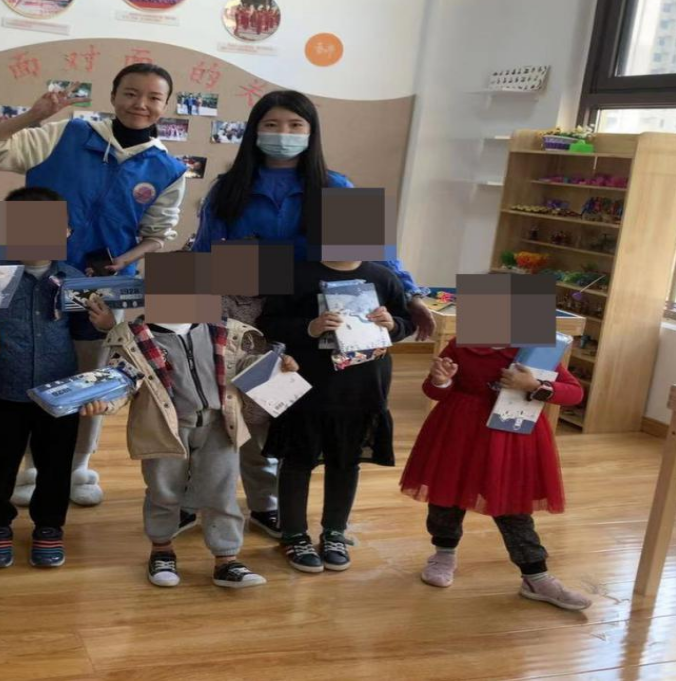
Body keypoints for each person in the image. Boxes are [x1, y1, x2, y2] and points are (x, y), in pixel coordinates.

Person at [187, 90, 433, 540]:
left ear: (311, 132)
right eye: (272, 124)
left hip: (313, 316)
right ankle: (205, 495)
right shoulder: (229, 187)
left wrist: (412, 295)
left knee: (283, 405)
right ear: (254, 130)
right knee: (234, 407)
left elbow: (375, 250)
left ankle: (267, 501)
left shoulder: (335, 186)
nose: (283, 133)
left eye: (295, 125)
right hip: (244, 311)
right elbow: (204, 254)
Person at [0, 63, 187, 508]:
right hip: (30, 274)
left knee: (89, 378)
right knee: (26, 367)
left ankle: (76, 465)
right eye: (130, 93)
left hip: (101, 287)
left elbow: (158, 233)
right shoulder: (65, 134)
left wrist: (124, 260)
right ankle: (31, 465)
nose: (140, 104)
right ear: (113, 94)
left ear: (166, 105)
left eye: (153, 97)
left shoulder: (169, 169)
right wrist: (33, 116)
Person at [83, 307, 287, 589]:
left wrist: (275, 366)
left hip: (219, 425)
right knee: (163, 490)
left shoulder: (222, 330)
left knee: (221, 491)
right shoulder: (133, 338)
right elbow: (123, 380)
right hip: (163, 427)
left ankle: (226, 559)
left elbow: (241, 364)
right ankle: (161, 550)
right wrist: (104, 402)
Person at [399, 341, 592, 611]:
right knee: (446, 495)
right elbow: (433, 390)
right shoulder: (462, 344)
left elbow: (574, 393)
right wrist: (441, 381)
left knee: (512, 505)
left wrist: (534, 385)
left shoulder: (537, 348)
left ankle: (536, 575)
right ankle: (444, 553)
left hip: (511, 435)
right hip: (458, 430)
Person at [0, 186, 109, 569]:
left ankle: (49, 525)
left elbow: (85, 336)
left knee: (55, 465)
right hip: (0, 389)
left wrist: (103, 324)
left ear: (65, 232)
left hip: (59, 392)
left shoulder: (75, 280)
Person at [259, 256, 412, 573]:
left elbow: (405, 322)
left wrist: (392, 325)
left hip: (363, 386)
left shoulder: (383, 277)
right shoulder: (296, 273)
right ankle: (293, 535)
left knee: (346, 461)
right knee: (298, 461)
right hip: (308, 385)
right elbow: (268, 323)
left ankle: (334, 532)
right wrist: (310, 327)